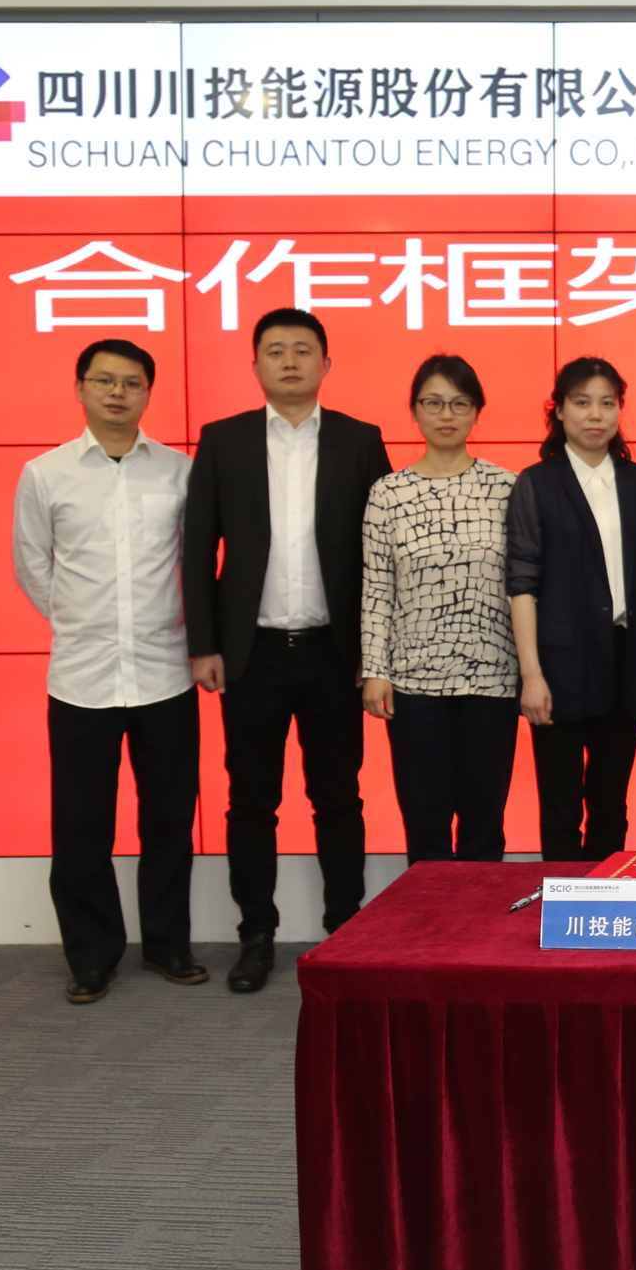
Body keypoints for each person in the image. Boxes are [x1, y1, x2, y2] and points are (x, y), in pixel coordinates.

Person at [184, 307, 394, 994]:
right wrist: (204, 644)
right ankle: (256, 935)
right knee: (251, 802)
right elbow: (197, 548)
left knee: (339, 797)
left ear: (326, 364)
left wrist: (375, 651)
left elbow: (383, 554)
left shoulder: (360, 440)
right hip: (253, 656)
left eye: (303, 350)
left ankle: (346, 929)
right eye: (275, 351)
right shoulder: (224, 440)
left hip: (336, 654)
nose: (290, 361)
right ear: (255, 366)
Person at [11, 338, 202, 1005]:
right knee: (81, 825)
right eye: (104, 381)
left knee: (170, 820)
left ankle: (168, 945)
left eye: (131, 383)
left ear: (149, 392)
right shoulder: (45, 473)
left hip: (165, 674)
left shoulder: (179, 472)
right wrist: (82, 622)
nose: (118, 393)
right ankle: (91, 956)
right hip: (82, 679)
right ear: (80, 388)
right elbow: (33, 565)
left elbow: (193, 564)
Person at [361, 355, 520, 864]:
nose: (446, 415)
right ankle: (427, 915)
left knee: (484, 823)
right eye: (433, 403)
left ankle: (479, 916)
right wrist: (375, 670)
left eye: (459, 403)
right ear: (414, 411)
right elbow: (377, 587)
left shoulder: (507, 488)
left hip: (493, 679)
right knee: (425, 823)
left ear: (477, 412)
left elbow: (524, 587)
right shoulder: (388, 493)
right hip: (413, 685)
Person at [507, 357, 636, 862]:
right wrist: (531, 675)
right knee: (561, 804)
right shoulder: (536, 483)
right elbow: (522, 584)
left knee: (611, 802)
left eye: (607, 403)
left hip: (626, 660)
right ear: (558, 410)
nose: (596, 414)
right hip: (559, 665)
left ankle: (605, 896)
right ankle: (564, 902)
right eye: (582, 402)